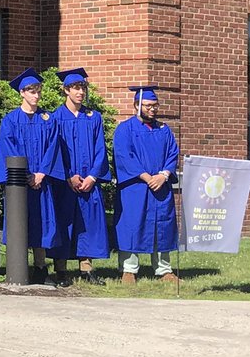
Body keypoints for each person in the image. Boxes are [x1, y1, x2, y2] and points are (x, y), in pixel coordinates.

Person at [0, 68, 68, 285]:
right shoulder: (10, 120)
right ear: (22, 93)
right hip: (20, 184)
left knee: (42, 223)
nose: (36, 96)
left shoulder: (48, 120)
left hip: (41, 182)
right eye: (31, 92)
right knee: (21, 221)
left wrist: (41, 173)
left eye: (38, 91)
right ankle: (18, 267)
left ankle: (40, 267)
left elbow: (53, 148)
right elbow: (10, 149)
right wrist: (27, 175)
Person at [113, 86, 180, 285]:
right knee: (132, 225)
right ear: (136, 105)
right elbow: (124, 156)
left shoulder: (164, 129)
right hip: (135, 188)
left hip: (160, 186)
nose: (152, 109)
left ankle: (164, 270)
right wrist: (145, 176)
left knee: (162, 225)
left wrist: (163, 175)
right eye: (148, 106)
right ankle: (129, 269)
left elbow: (172, 154)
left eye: (155, 105)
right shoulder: (125, 129)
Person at [52, 68, 111, 284]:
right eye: (76, 88)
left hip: (89, 182)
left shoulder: (93, 117)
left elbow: (100, 149)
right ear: (66, 90)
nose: (80, 92)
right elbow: (54, 151)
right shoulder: (55, 118)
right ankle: (60, 268)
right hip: (65, 183)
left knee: (88, 223)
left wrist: (93, 176)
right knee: (64, 222)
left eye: (83, 88)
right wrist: (68, 176)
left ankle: (86, 268)